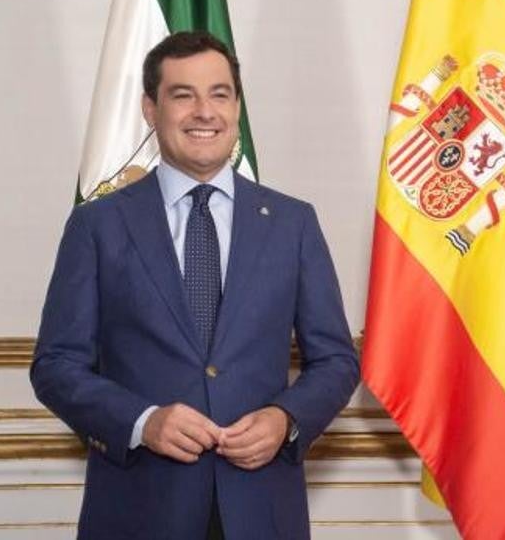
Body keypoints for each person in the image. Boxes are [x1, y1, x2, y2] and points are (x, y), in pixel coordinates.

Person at [31, 31, 360, 539]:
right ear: (150, 108)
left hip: (262, 510)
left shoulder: (293, 223)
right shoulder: (97, 225)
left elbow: (336, 360)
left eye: (219, 94)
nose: (204, 112)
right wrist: (142, 421)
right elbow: (55, 367)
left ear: (236, 106)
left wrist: (285, 418)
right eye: (183, 95)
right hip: (139, 510)